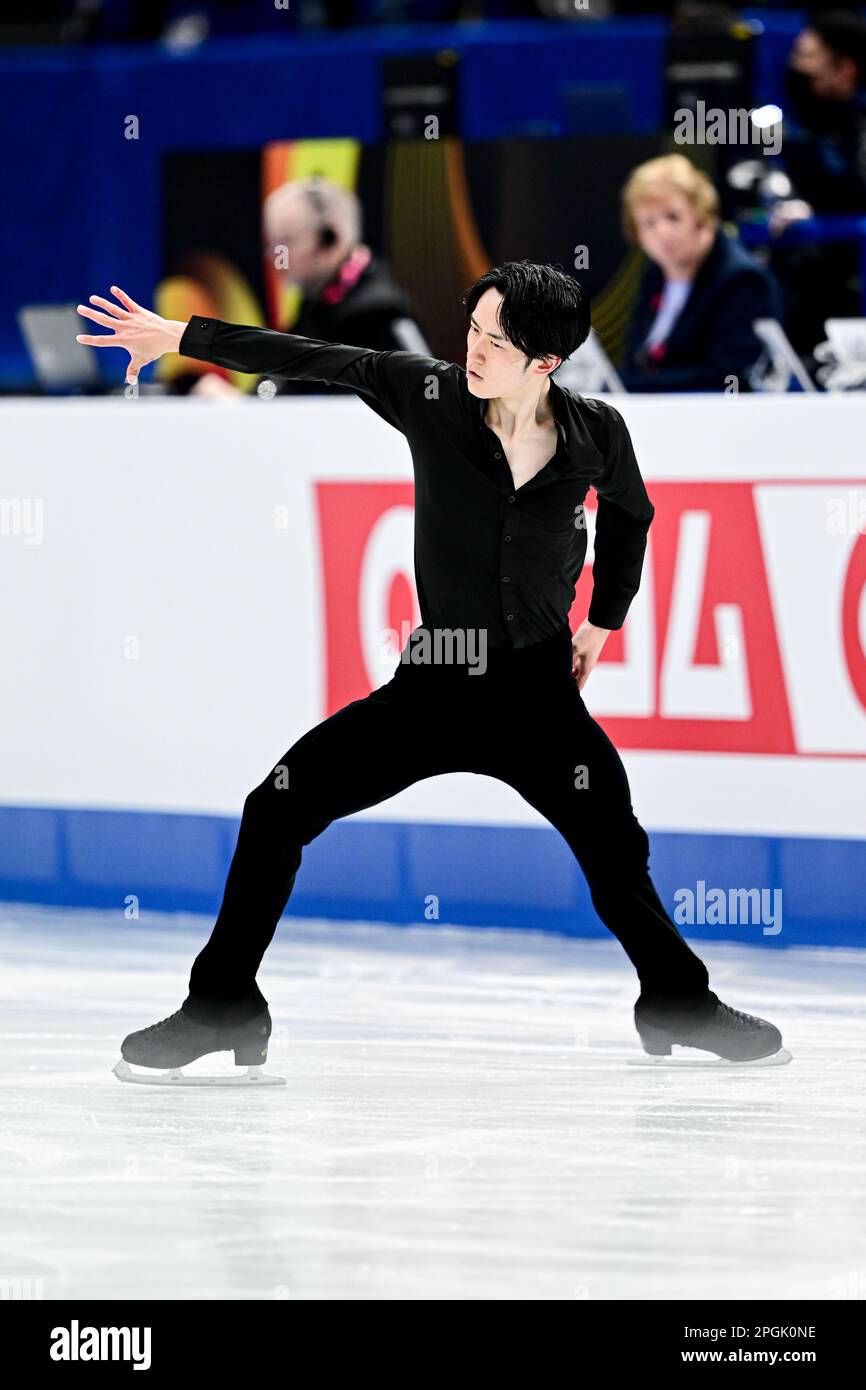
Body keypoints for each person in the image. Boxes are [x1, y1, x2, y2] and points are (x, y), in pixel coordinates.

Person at [75, 266, 787, 1070]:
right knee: (274, 808)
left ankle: (676, 1002)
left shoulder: (597, 434)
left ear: (546, 362)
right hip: (435, 685)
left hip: (539, 697)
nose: (473, 349)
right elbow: (317, 356)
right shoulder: (431, 394)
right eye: (474, 327)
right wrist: (179, 337)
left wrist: (602, 623)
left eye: (495, 340)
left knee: (616, 848)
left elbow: (633, 518)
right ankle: (224, 1004)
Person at [186, 175, 429, 401]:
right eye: (272, 243)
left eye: (286, 241)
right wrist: (242, 404)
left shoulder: (381, 314)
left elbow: (423, 396)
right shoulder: (317, 305)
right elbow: (280, 384)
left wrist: (244, 406)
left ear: (330, 239)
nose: (275, 256)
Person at [620, 154, 782, 392]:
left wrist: (631, 387)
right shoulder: (654, 275)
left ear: (702, 216)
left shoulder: (742, 281)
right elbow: (636, 360)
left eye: (673, 217)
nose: (662, 232)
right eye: (649, 223)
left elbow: (726, 377)